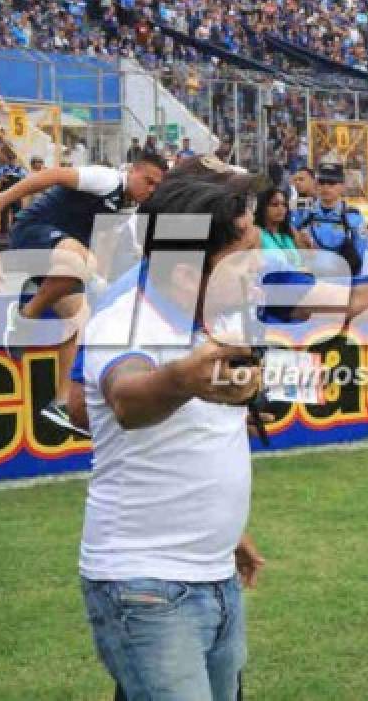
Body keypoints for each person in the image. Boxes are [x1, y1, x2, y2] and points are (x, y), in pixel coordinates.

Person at [77, 168, 266, 701]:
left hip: (210, 575)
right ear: (188, 266)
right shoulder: (125, 321)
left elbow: (198, 441)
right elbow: (128, 399)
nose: (260, 266)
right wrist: (182, 379)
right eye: (245, 254)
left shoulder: (209, 321)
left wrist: (226, 531)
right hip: (147, 589)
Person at [0, 154, 167, 434]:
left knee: (81, 319)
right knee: (83, 263)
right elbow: (53, 174)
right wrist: (4, 200)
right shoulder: (106, 179)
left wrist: (103, 286)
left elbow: (103, 244)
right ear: (132, 171)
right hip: (32, 234)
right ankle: (27, 316)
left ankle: (61, 403)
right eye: (148, 181)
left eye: (158, 186)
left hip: (62, 262)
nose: (151, 190)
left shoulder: (127, 209)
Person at [292, 164, 368, 278]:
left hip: (342, 280)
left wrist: (360, 284)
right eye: (322, 183)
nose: (326, 187)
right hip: (311, 280)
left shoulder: (353, 218)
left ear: (342, 187)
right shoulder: (303, 214)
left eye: (331, 183)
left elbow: (363, 255)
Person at [254, 187, 303, 269]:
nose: (281, 208)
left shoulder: (290, 231)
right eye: (275, 204)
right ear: (263, 208)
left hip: (298, 278)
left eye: (284, 204)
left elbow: (304, 259)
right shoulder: (256, 233)